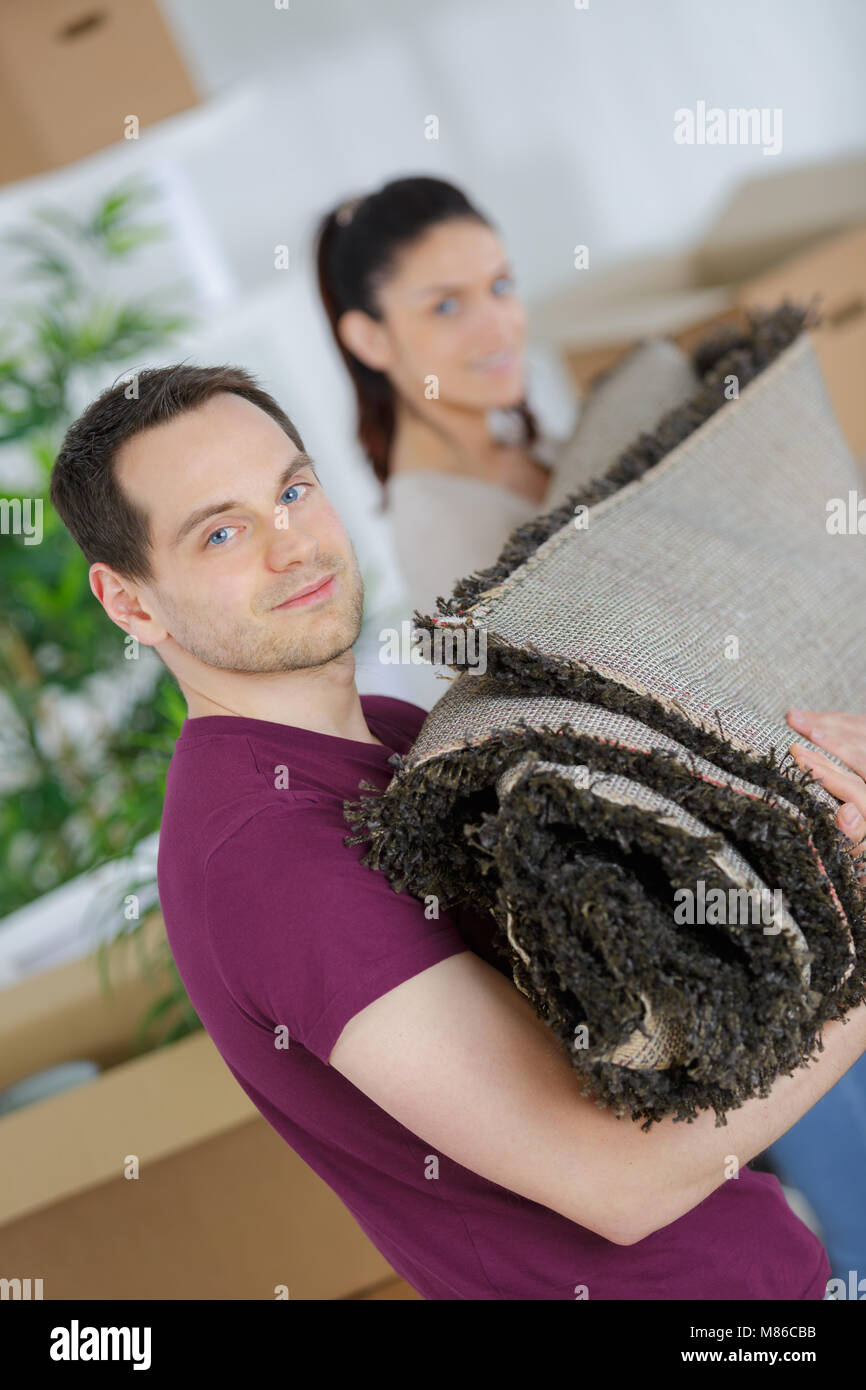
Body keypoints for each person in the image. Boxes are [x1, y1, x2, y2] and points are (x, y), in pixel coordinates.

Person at [49, 363, 866, 1300]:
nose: (293, 547)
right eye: (222, 531)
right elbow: (617, 1180)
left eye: (294, 490)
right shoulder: (264, 860)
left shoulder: (399, 732)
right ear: (130, 602)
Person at [315, 176, 567, 616]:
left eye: (501, 286)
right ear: (371, 339)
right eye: (446, 306)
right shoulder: (444, 543)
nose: (499, 327)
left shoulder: (514, 443)